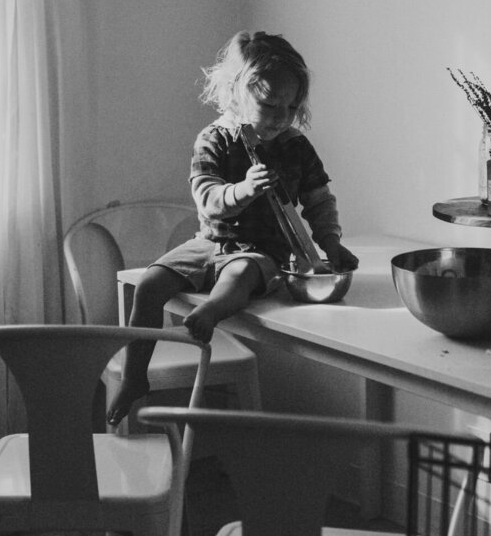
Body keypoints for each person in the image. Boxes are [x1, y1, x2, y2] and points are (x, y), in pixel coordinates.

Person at [106, 30, 359, 427]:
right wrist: (243, 190)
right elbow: (206, 196)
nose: (280, 116)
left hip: (263, 250)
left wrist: (331, 243)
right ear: (236, 92)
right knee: (149, 285)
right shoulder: (215, 139)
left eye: (291, 107)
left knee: (240, 274)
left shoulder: (296, 147)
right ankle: (136, 374)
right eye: (269, 103)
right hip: (209, 242)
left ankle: (212, 310)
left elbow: (318, 201)